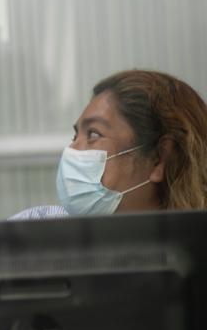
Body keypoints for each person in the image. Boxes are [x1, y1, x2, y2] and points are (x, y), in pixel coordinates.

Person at [13, 69, 207, 220]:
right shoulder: (31, 233)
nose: (71, 150)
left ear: (159, 159)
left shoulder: (195, 250)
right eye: (75, 137)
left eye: (93, 134)